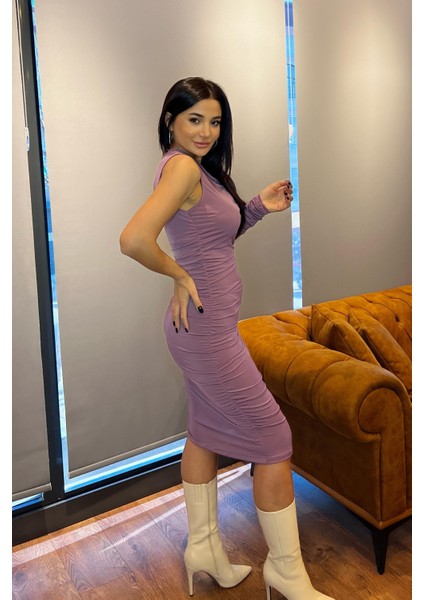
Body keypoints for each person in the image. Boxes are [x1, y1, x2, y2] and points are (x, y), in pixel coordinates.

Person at [120, 77, 334, 600]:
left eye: (215, 122)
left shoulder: (192, 169)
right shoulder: (183, 167)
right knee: (274, 438)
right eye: (195, 119)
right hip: (207, 332)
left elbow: (211, 237)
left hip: (201, 329)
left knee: (204, 430)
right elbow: (134, 239)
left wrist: (256, 206)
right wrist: (178, 274)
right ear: (170, 120)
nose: (207, 131)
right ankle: (286, 573)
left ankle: (204, 550)